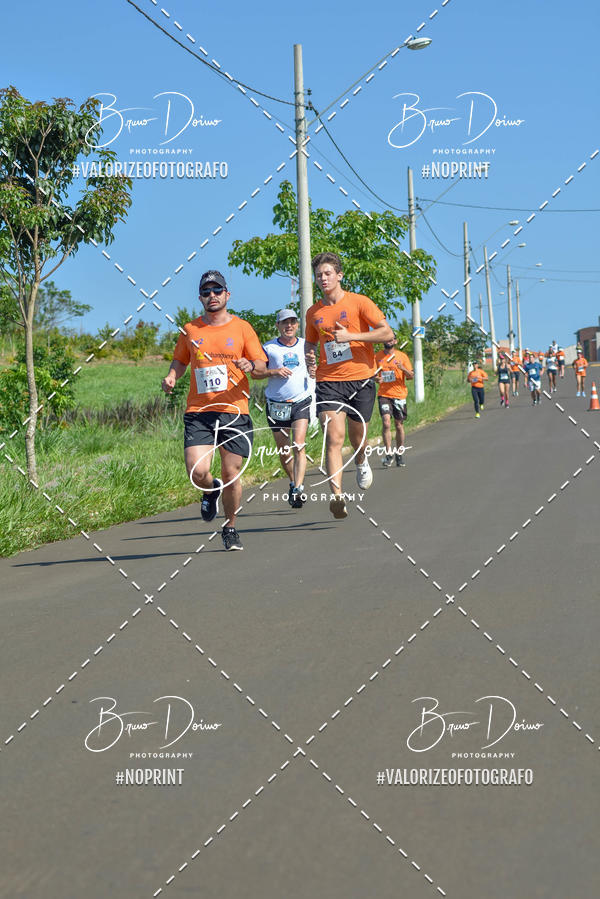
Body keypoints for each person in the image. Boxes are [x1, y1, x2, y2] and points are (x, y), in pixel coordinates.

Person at [161, 270, 267, 551]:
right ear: (200, 298)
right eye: (206, 292)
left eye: (217, 291)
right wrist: (173, 376)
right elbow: (180, 361)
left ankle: (230, 526)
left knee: (232, 473)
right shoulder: (190, 330)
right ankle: (210, 489)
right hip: (199, 411)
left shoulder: (243, 328)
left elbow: (262, 367)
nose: (212, 296)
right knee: (197, 471)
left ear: (227, 295)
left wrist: (251, 366)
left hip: (235, 411)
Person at [304, 252, 394, 520]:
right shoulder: (313, 312)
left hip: (361, 378)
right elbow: (310, 342)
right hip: (329, 381)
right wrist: (310, 355)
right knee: (333, 437)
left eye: (328, 273)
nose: (323, 278)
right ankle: (337, 497)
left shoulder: (359, 302)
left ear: (339, 275)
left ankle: (361, 459)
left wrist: (351, 335)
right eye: (319, 275)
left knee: (358, 437)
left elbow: (387, 333)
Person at [259, 309, 312, 508]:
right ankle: (292, 481)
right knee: (284, 450)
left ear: (297, 325)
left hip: (300, 401)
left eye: (292, 322)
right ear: (278, 326)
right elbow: (256, 372)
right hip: (276, 404)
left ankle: (298, 488)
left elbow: (315, 364)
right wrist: (273, 371)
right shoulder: (269, 348)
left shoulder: (306, 344)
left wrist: (314, 368)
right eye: (284, 323)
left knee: (298, 444)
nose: (288, 326)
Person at [374, 336, 413, 468]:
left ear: (395, 342)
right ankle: (389, 453)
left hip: (399, 395)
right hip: (384, 394)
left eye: (391, 340)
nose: (388, 341)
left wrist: (403, 368)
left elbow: (411, 376)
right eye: (386, 339)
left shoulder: (402, 356)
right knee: (386, 422)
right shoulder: (377, 356)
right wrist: (376, 379)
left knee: (399, 425)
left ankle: (399, 453)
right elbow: (372, 374)